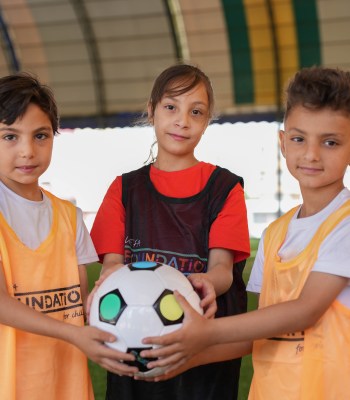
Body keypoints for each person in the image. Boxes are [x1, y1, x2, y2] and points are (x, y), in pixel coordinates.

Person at [140, 66, 350, 400]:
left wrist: (207, 331)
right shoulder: (275, 234)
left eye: (330, 142)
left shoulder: (345, 223)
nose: (311, 154)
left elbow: (305, 310)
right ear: (282, 142)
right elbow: (260, 331)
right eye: (299, 138)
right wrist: (186, 359)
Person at [90, 63, 250, 400]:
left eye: (196, 111)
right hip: (134, 352)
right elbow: (111, 266)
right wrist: (108, 280)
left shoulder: (225, 188)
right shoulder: (123, 190)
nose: (182, 120)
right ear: (151, 110)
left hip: (204, 361)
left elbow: (222, 269)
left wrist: (207, 282)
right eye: (171, 107)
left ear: (208, 121)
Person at [0, 72, 136, 400]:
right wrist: (74, 335)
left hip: (68, 384)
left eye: (41, 136)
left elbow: (81, 305)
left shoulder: (69, 217)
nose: (28, 151)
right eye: (10, 137)